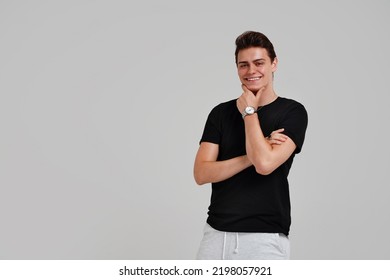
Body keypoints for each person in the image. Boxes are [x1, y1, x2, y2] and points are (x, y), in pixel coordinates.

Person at [193, 31, 308, 260]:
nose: (251, 71)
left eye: (259, 63)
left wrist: (249, 112)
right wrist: (256, 150)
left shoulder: (292, 112)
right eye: (243, 65)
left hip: (264, 237)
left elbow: (264, 164)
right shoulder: (221, 113)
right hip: (216, 234)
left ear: (274, 63)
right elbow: (202, 173)